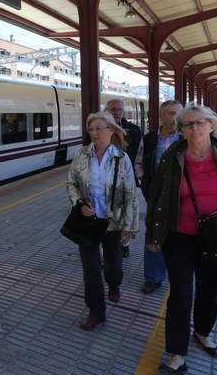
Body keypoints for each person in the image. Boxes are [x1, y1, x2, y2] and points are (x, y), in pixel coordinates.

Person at [145, 104, 217, 374]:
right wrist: (153, 235)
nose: (194, 128)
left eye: (200, 123)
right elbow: (157, 198)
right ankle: (176, 352)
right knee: (180, 295)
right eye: (188, 124)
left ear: (212, 125)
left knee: (210, 291)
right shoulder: (172, 156)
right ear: (181, 130)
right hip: (180, 236)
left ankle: (203, 332)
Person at [66, 111, 139, 331]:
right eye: (91, 129)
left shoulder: (121, 158)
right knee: (90, 268)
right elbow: (71, 184)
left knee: (113, 263)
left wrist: (130, 225)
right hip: (87, 221)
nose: (95, 133)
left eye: (99, 128)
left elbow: (130, 193)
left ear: (111, 130)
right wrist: (79, 204)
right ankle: (96, 312)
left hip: (112, 221)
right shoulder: (81, 154)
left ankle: (114, 284)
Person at [136, 100, 183, 294]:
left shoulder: (186, 138)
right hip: (154, 196)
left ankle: (178, 275)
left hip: (181, 197)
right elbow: (139, 163)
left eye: (179, 114)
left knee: (178, 236)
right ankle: (153, 278)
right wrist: (146, 187)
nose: (175, 118)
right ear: (161, 116)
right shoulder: (149, 139)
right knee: (153, 234)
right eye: (171, 113)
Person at [105, 98, 142, 258]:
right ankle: (107, 243)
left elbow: (139, 155)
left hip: (127, 177)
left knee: (127, 211)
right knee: (106, 211)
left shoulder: (133, 129)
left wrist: (138, 175)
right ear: (107, 110)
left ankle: (124, 244)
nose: (117, 112)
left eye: (119, 109)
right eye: (113, 109)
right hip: (104, 178)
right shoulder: (100, 128)